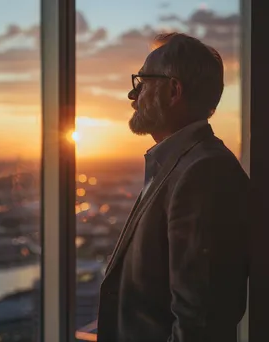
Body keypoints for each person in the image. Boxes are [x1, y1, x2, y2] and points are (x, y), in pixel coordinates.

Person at [97, 32, 249, 342]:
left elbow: (199, 323)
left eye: (142, 83)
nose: (132, 95)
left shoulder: (203, 173)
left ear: (173, 91)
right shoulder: (182, 165)